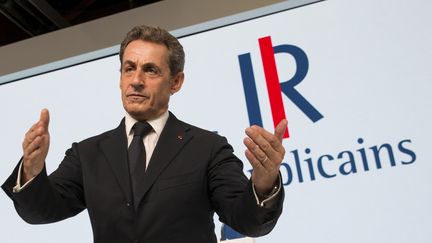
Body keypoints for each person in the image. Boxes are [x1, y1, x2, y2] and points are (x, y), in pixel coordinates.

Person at [2, 25, 286, 243]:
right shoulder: (88, 154)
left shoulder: (207, 148)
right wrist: (31, 169)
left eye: (150, 70)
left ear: (176, 82)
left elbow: (246, 220)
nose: (136, 80)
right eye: (129, 69)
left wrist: (263, 183)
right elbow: (41, 212)